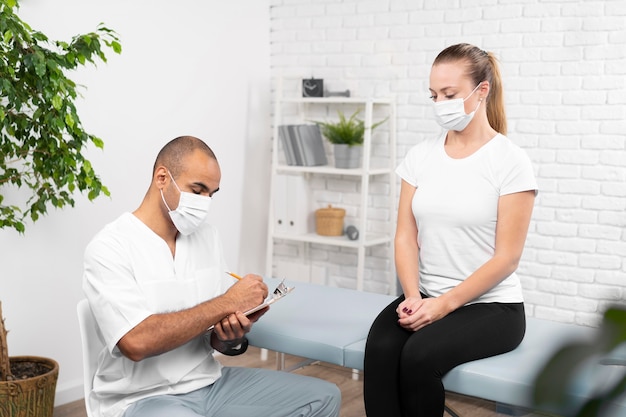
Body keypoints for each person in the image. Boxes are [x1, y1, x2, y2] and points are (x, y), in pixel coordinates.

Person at [83, 136, 341, 417]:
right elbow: (136, 342)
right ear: (162, 178)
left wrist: (230, 335)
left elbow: (214, 335)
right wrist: (228, 301)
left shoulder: (208, 237)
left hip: (211, 384)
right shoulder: (110, 246)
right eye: (198, 190)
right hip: (142, 398)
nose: (205, 203)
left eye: (212, 194)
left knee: (324, 397)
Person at [364, 43, 538, 416]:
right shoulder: (420, 156)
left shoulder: (510, 161)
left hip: (492, 307)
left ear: (482, 90)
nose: (439, 103)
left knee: (419, 357)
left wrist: (442, 306)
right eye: (433, 95)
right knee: (379, 349)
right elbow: (405, 237)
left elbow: (507, 258)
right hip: (426, 293)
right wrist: (413, 296)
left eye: (449, 94)